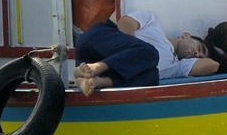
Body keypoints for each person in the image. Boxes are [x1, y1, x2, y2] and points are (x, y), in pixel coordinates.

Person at [74, 9, 218, 95]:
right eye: (200, 48)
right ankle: (97, 67)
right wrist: (136, 55)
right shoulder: (152, 21)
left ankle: (93, 81)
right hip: (98, 41)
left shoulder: (176, 67)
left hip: (89, 66)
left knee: (152, 77)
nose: (197, 54)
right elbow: (125, 24)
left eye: (199, 56)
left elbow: (213, 65)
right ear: (186, 35)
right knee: (150, 52)